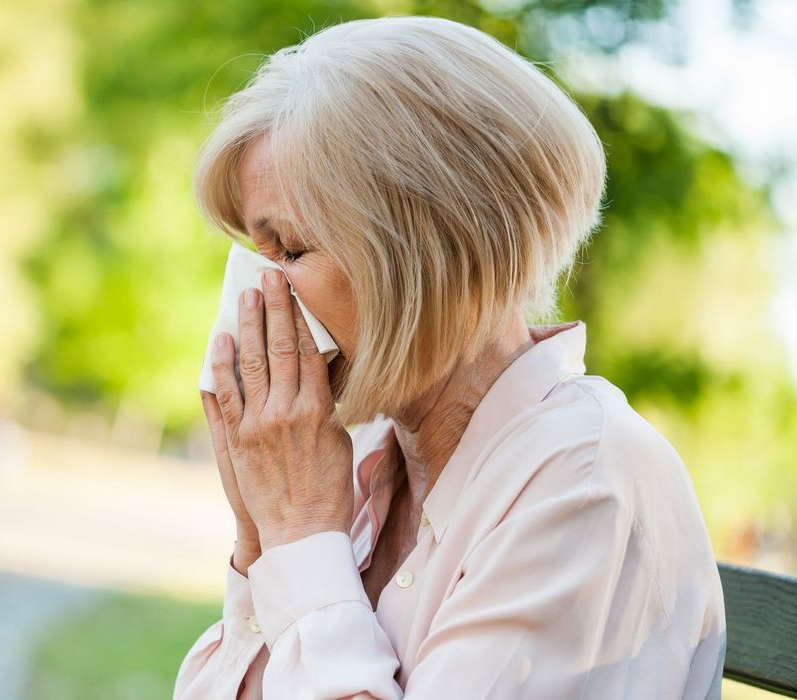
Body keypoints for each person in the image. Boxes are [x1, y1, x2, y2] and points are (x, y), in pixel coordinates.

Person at [179, 16, 726, 700]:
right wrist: (261, 538)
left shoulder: (586, 483)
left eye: (289, 251)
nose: (260, 296)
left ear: (427, 253)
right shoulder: (370, 466)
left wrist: (296, 536)